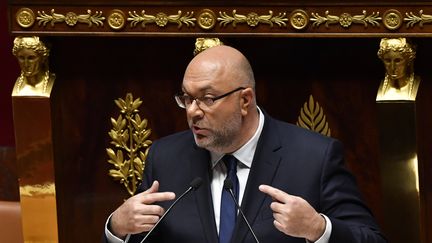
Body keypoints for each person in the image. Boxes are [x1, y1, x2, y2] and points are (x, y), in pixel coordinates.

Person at [103, 45, 386, 243]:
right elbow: (142, 236)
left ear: (245, 101)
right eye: (187, 99)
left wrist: (319, 229)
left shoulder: (314, 158)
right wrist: (118, 228)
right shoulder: (165, 158)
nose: (193, 111)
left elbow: (371, 239)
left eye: (208, 99)